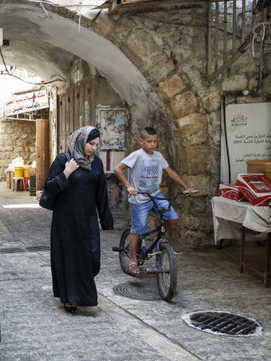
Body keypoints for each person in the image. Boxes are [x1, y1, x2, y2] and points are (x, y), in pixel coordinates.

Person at [44, 126, 114, 313]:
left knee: (92, 257)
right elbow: (49, 188)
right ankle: (70, 298)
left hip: (88, 218)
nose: (93, 148)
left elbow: (101, 195)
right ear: (80, 141)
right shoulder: (63, 160)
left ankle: (78, 292)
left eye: (96, 145)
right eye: (91, 144)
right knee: (69, 259)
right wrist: (66, 173)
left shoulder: (96, 163)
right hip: (65, 219)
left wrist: (106, 221)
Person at [113, 126, 196, 275]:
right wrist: (129, 186)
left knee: (173, 217)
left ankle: (158, 237)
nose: (152, 144)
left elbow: (170, 172)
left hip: (155, 195)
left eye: (155, 142)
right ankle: (133, 259)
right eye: (149, 141)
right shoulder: (136, 155)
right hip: (140, 198)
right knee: (138, 229)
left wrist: (186, 187)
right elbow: (118, 169)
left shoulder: (158, 156)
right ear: (141, 141)